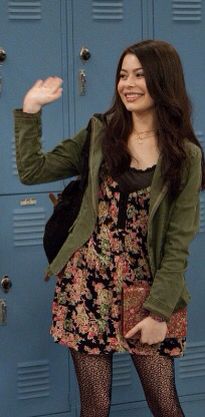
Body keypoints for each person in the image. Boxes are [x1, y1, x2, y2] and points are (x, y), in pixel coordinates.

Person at [14, 39, 205, 417]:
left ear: (163, 82)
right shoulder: (100, 132)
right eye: (123, 75)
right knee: (95, 406)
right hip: (86, 287)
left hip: (144, 294)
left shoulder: (185, 156)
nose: (127, 84)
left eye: (139, 75)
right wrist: (30, 111)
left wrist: (159, 313)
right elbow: (33, 170)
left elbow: (178, 243)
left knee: (165, 404)